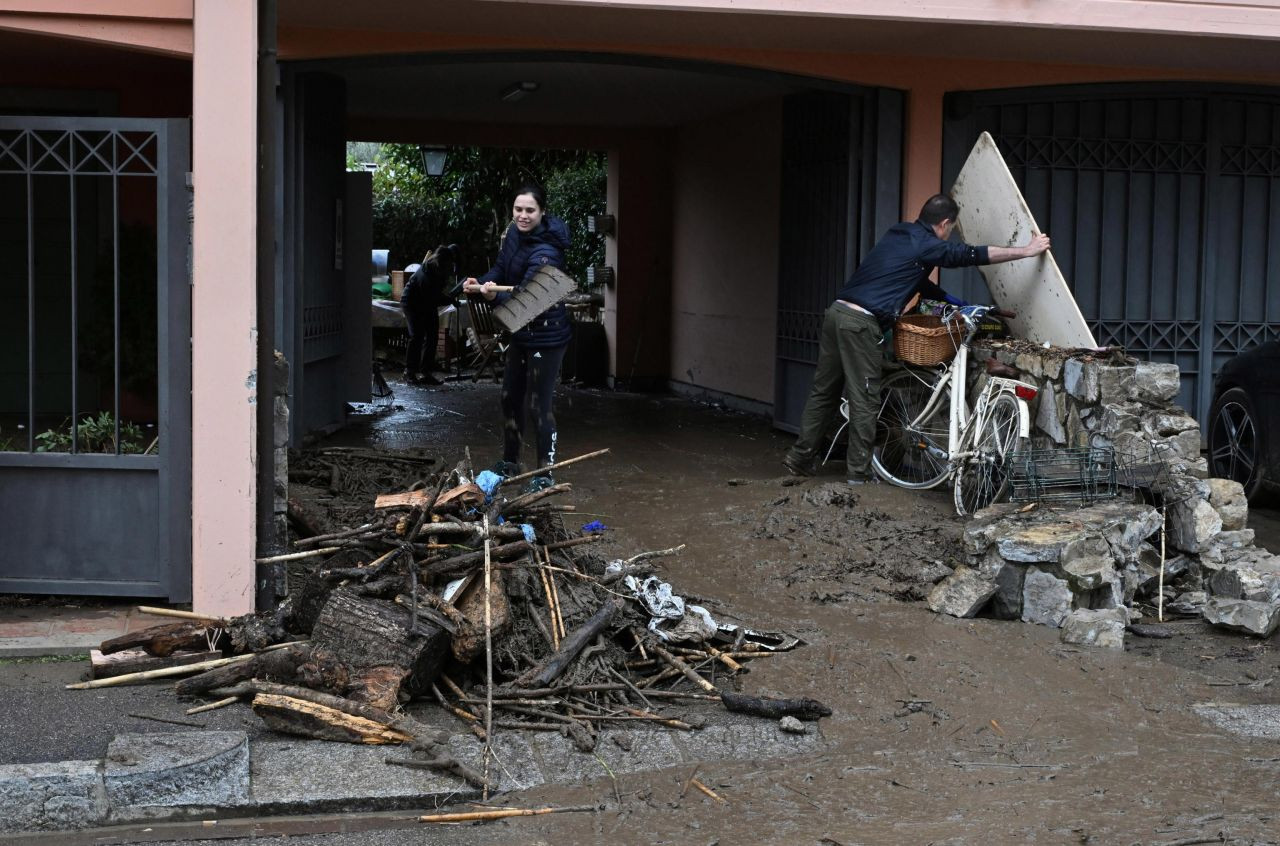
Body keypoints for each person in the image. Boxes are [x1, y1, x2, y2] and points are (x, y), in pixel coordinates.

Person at [782, 193, 1051, 484]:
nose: (948, 236)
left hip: (837, 313)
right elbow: (967, 255)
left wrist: (959, 302)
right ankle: (858, 475)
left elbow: (921, 284)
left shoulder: (899, 234)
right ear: (944, 223)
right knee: (866, 398)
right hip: (860, 324)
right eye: (950, 229)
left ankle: (799, 458)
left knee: (824, 392)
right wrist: (1026, 251)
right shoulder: (926, 244)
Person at [463, 181, 572, 490]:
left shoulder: (547, 253)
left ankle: (544, 473)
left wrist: (489, 297)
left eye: (530, 211)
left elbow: (526, 302)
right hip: (522, 332)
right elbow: (500, 268)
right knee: (510, 397)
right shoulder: (513, 234)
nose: (523, 216)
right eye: (518, 209)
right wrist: (482, 282)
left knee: (539, 405)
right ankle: (511, 463)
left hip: (546, 336)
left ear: (542, 212)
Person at [401, 244, 458, 386]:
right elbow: (433, 297)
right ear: (442, 261)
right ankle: (409, 372)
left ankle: (426, 372)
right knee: (417, 336)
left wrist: (449, 297)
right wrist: (449, 299)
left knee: (432, 335)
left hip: (427, 302)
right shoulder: (426, 275)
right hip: (412, 303)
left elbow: (435, 295)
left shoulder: (440, 269)